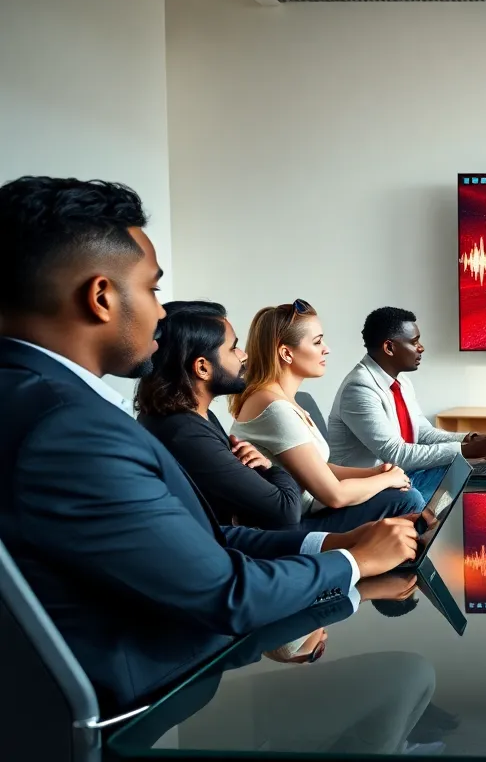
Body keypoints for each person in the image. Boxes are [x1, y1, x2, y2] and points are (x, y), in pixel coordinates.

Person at [0, 176, 419, 712]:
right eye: (152, 289)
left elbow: (202, 542)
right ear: (101, 297)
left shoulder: (39, 400)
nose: (159, 312)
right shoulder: (70, 429)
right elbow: (227, 594)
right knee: (408, 672)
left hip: (183, 647)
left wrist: (335, 546)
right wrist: (355, 563)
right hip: (159, 696)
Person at [230, 302, 427, 532]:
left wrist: (375, 473)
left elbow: (320, 468)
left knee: (403, 491)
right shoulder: (274, 408)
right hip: (296, 525)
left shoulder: (284, 400)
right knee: (407, 499)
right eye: (317, 342)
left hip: (313, 509)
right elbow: (334, 495)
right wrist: (385, 480)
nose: (326, 349)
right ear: (286, 353)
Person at [139, 301, 308, 528]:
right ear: (202, 368)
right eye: (232, 348)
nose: (243, 355)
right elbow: (285, 512)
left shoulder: (195, 415)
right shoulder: (186, 434)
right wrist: (272, 469)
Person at [327, 307, 486, 502]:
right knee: (468, 472)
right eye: (414, 342)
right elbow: (396, 455)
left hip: (403, 478)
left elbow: (423, 433)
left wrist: (470, 439)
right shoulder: (359, 388)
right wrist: (466, 450)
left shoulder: (401, 383)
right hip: (370, 489)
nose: (421, 348)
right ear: (389, 348)